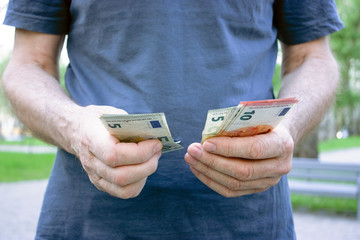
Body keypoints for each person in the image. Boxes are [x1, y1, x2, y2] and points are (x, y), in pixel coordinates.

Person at [2, 0, 343, 239]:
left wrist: (290, 125)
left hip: (248, 225)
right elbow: (27, 64)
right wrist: (74, 128)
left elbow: (313, 56)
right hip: (90, 223)